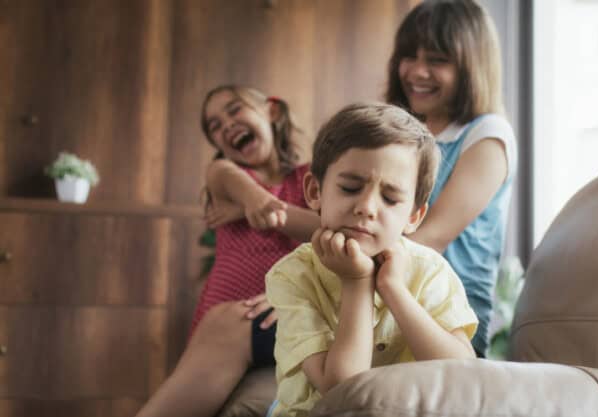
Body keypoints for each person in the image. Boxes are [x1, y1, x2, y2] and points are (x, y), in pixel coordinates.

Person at [266, 102, 478, 417]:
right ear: (314, 191)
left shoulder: (430, 270)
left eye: (390, 198)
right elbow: (343, 391)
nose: (367, 207)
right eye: (351, 188)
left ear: (414, 216)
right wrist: (358, 283)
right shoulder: (292, 275)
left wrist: (393, 288)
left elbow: (463, 378)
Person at [136, 85, 319, 417]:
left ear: (272, 111)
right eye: (215, 127)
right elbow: (263, 204)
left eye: (235, 110)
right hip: (226, 320)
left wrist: (257, 210)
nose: (226, 125)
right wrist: (255, 205)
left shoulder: (310, 178)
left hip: (267, 313)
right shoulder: (223, 174)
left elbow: (322, 229)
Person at [385, 0, 517, 356]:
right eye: (409, 56)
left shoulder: (487, 135)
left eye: (437, 60)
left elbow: (429, 238)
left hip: (449, 318)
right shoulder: (404, 131)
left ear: (472, 67)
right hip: (388, 292)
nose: (416, 71)